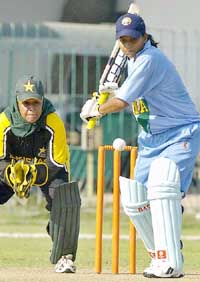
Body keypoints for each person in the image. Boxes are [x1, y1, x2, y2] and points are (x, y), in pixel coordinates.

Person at [80, 13, 200, 278]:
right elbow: (132, 98)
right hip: (151, 139)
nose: (127, 44)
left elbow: (123, 102)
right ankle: (162, 252)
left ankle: (171, 261)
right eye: (122, 40)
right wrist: (111, 94)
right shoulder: (134, 60)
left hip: (180, 132)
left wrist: (97, 109)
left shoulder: (149, 59)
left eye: (132, 39)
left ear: (144, 37)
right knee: (136, 200)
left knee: (163, 190)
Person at [0, 75, 81, 273]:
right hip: (13, 170)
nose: (31, 108)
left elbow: (56, 163)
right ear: (18, 102)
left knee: (66, 198)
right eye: (26, 103)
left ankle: (64, 256)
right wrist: (11, 173)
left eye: (35, 103)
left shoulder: (53, 121)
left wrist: (31, 173)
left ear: (42, 101)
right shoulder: (4, 121)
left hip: (46, 171)